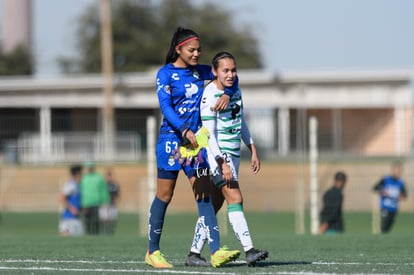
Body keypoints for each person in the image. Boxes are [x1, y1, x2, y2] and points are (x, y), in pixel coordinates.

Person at [145, 27, 240, 269]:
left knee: (204, 194)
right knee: (164, 195)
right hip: (171, 140)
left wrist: (228, 93)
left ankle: (216, 251)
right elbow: (165, 108)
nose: (197, 54)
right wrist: (184, 130)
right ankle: (152, 251)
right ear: (178, 49)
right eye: (192, 50)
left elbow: (229, 76)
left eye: (199, 50)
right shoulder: (165, 74)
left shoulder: (203, 72)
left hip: (195, 144)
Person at [185, 51, 268, 267]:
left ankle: (194, 253)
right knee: (235, 198)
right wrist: (221, 162)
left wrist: (252, 147)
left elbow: (239, 121)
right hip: (217, 156)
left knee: (213, 205)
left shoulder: (235, 90)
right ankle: (249, 250)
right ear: (214, 72)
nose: (230, 74)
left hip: (233, 155)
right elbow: (208, 133)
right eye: (225, 70)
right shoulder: (209, 95)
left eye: (233, 70)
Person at [373, 161, 407, 233]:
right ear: (393, 170)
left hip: (394, 208)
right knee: (384, 226)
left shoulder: (401, 182)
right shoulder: (385, 180)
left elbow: (404, 195)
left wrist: (401, 197)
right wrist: (383, 191)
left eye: (400, 171)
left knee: (389, 228)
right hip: (385, 207)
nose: (399, 172)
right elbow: (375, 188)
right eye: (397, 170)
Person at [80, 161, 110, 235]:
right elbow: (80, 190)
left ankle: (96, 235)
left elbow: (104, 190)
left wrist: (105, 201)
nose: (89, 168)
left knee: (96, 220)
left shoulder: (99, 177)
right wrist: (81, 203)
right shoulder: (83, 178)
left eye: (90, 167)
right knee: (87, 221)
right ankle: (89, 234)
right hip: (86, 203)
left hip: (97, 203)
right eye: (87, 167)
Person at [59, 164, 84, 236]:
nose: (82, 175)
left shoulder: (77, 185)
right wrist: (72, 208)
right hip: (69, 218)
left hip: (75, 218)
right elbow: (61, 198)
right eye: (81, 173)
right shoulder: (71, 185)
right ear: (78, 174)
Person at [101, 169, 120, 235]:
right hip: (105, 205)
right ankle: (105, 231)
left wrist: (116, 202)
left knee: (112, 219)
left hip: (112, 205)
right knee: (105, 219)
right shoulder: (104, 185)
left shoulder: (115, 185)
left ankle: (111, 232)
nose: (109, 177)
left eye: (110, 176)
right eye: (108, 176)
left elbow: (117, 195)